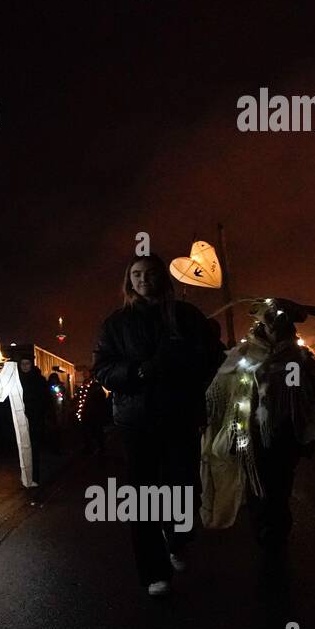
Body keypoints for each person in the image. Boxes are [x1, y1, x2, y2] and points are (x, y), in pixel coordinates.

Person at [93, 254, 225, 597]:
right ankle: (154, 572)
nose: (143, 280)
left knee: (184, 485)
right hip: (137, 420)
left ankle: (177, 536)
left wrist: (187, 374)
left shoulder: (186, 317)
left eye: (149, 274)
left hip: (180, 417)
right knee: (143, 494)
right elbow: (103, 368)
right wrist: (136, 373)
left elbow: (214, 358)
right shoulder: (115, 324)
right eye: (136, 274)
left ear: (161, 279)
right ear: (128, 280)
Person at [19, 356, 53, 485]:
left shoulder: (39, 380)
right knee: (22, 448)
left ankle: (35, 477)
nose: (25, 366)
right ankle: (25, 476)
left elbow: (45, 400)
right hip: (23, 418)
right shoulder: (18, 379)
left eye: (27, 363)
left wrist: (42, 415)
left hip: (35, 419)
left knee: (33, 448)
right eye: (23, 363)